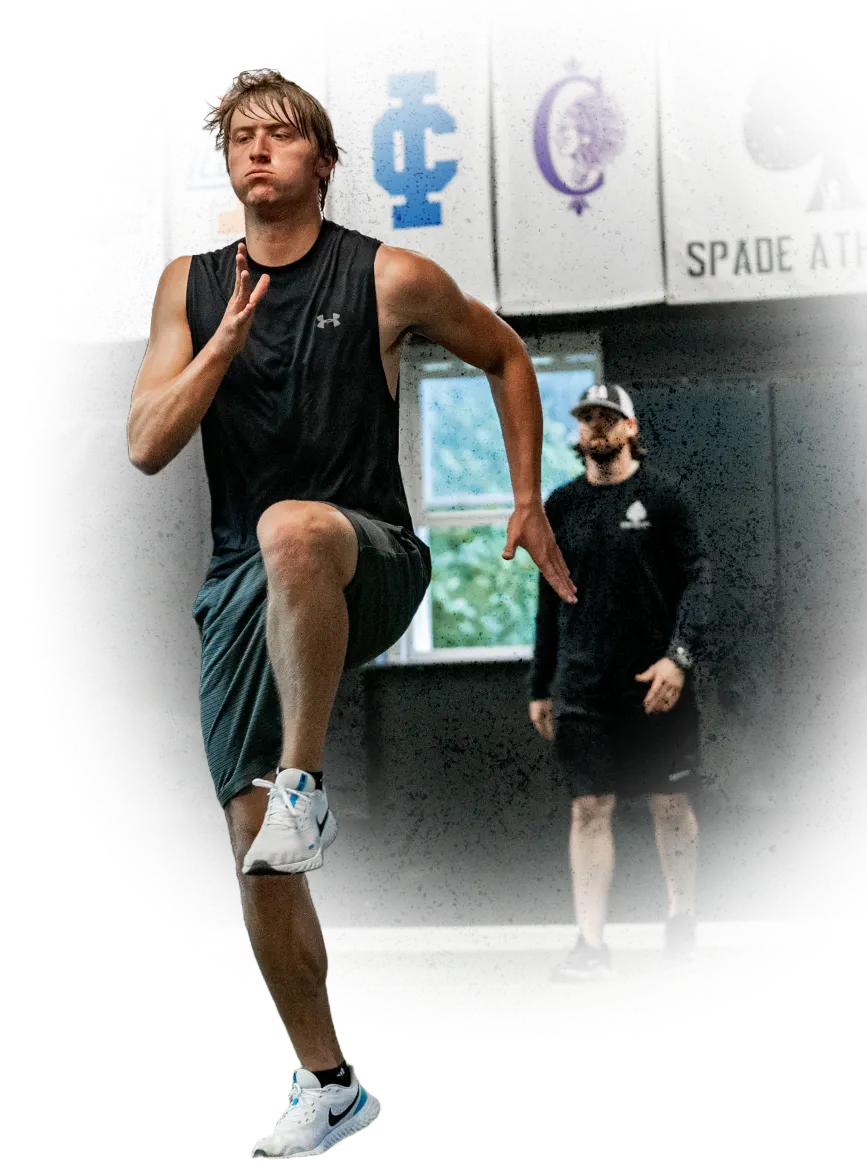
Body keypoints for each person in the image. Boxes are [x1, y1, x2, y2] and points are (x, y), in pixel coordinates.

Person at [126, 69, 576, 1158]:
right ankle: (329, 1083)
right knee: (259, 860)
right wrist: (223, 344)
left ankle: (306, 779)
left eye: (282, 136)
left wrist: (525, 496)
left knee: (295, 528)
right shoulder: (187, 286)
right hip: (242, 586)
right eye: (240, 138)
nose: (257, 151)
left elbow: (505, 354)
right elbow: (146, 442)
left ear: (323, 162)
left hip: (364, 555)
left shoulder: (387, 276)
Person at [528, 384, 711, 984]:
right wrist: (541, 684)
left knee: (669, 802)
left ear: (631, 429)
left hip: (657, 684)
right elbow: (548, 599)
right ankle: (591, 947)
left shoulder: (664, 497)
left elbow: (698, 582)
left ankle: (680, 920)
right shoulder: (560, 506)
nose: (597, 429)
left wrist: (677, 660)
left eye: (609, 419)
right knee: (588, 807)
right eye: (588, 421)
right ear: (579, 435)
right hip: (584, 686)